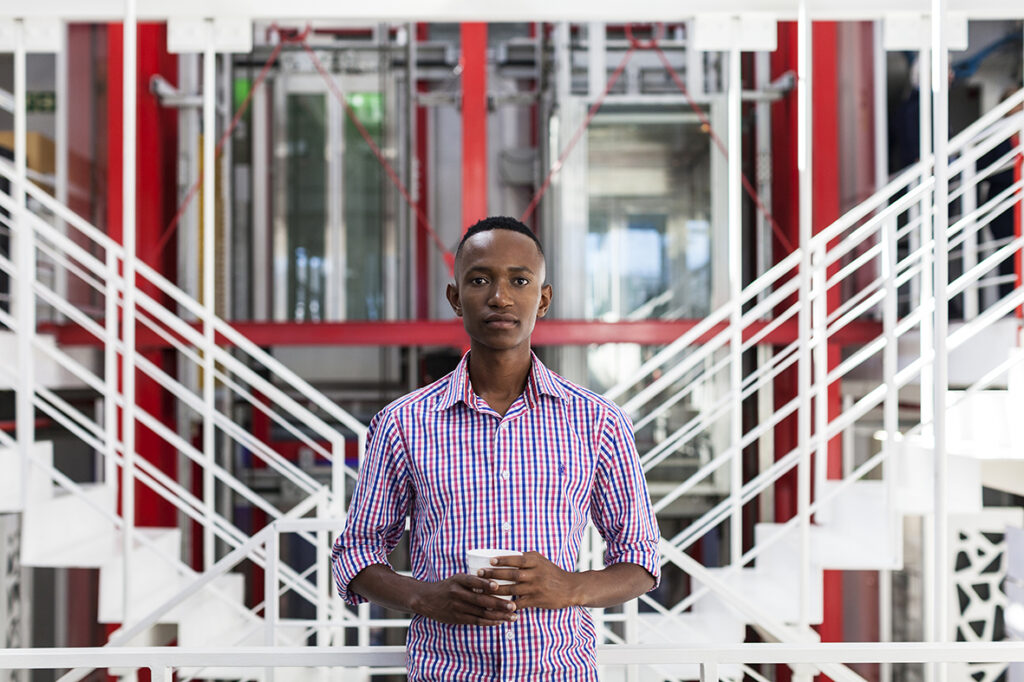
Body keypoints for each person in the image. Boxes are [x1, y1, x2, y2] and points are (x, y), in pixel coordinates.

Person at [332, 216, 661, 680]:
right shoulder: (403, 424)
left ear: (542, 299)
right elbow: (356, 552)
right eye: (480, 279)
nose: (500, 297)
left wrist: (569, 587)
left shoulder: (598, 422)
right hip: (446, 672)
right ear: (455, 298)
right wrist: (423, 596)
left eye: (520, 281)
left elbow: (641, 558)